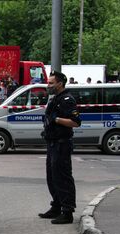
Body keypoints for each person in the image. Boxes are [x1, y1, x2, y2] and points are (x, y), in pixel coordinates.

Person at [39, 70, 81, 224]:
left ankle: (67, 211)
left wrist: (56, 119)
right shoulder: (55, 98)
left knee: (63, 178)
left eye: (51, 83)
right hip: (52, 143)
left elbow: (75, 122)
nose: (48, 85)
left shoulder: (67, 100)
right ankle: (56, 206)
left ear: (60, 83)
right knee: (52, 177)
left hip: (62, 144)